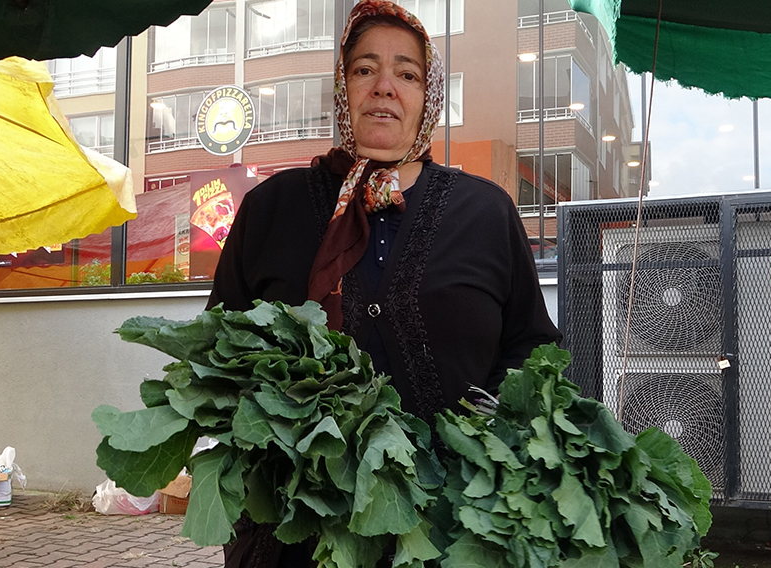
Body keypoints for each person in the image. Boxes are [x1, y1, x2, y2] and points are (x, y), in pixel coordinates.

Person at [206, 1, 561, 566]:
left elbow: (533, 347)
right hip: (292, 530)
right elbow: (218, 350)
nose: (385, 88)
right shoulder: (273, 207)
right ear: (342, 87)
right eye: (365, 69)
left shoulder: (485, 212)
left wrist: (482, 429)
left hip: (451, 527)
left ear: (429, 96)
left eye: (408, 73)